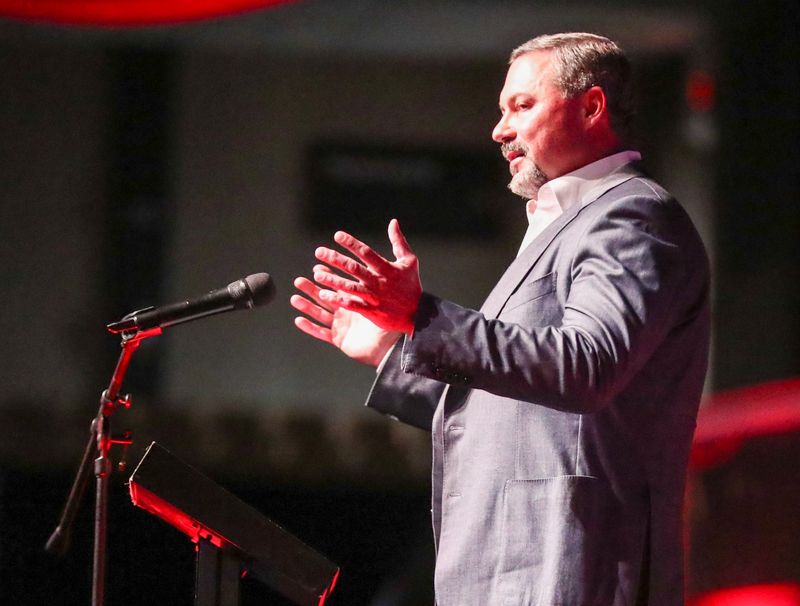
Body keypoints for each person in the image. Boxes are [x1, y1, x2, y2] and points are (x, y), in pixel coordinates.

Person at [290, 32, 710, 606]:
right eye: (500, 110)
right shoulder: (565, 222)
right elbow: (516, 409)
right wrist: (393, 348)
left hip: (571, 565)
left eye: (522, 105)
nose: (500, 129)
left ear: (591, 107)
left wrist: (424, 315)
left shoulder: (631, 215)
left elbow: (586, 367)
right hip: (519, 565)